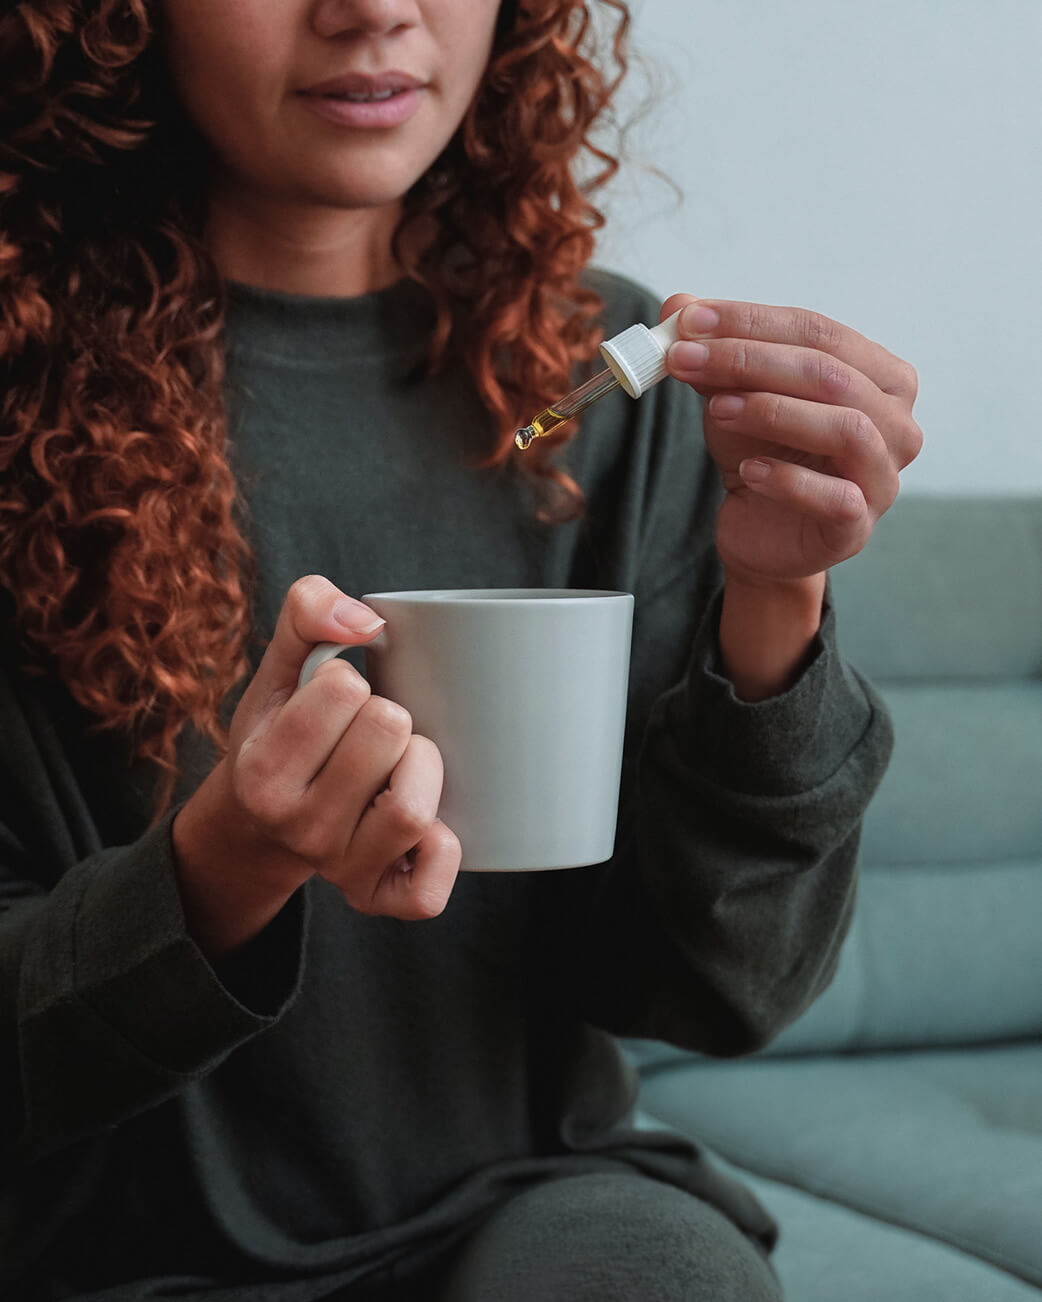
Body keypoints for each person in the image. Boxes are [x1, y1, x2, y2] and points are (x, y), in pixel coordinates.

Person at [0, 0, 922, 1298]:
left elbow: (719, 988)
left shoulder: (593, 392)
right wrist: (225, 865)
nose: (373, 9)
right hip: (102, 1245)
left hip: (528, 1207)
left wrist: (773, 603)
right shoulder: (21, 395)